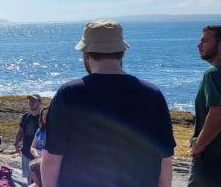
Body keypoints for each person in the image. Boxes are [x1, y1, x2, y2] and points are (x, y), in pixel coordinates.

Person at [42, 20, 175, 187]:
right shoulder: (152, 94)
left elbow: (51, 159)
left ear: (86, 54)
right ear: (122, 52)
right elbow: (165, 161)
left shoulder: (69, 93)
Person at [189, 24, 221, 186]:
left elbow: (217, 115)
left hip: (212, 158)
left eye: (205, 41)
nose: (198, 44)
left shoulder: (213, 74)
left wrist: (198, 146)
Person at [13, 94, 41, 179]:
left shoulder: (43, 117)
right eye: (30, 100)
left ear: (39, 102)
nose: (31, 102)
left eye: (34, 100)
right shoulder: (25, 116)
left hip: (37, 153)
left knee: (38, 178)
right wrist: (16, 143)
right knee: (28, 176)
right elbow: (20, 131)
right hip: (26, 151)